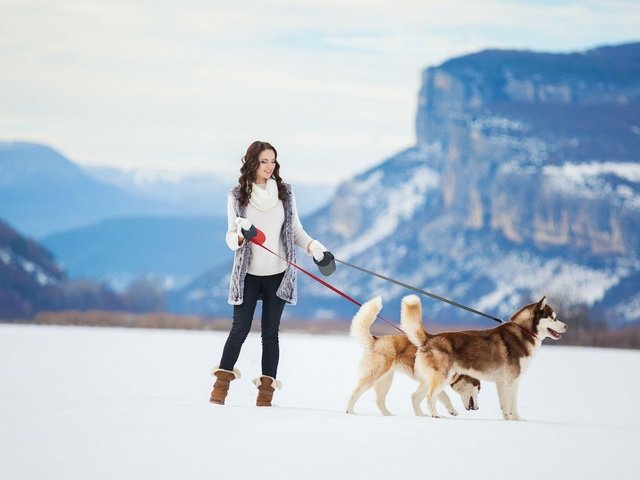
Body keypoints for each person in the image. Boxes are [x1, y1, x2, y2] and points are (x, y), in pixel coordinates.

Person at [210, 140, 333, 407]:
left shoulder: (285, 195)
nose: (269, 166)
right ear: (252, 162)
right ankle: (219, 390)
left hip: (278, 274)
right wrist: (241, 238)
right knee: (239, 329)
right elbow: (231, 234)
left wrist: (315, 248)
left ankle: (265, 396)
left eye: (273, 161)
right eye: (264, 161)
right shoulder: (237, 195)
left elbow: (296, 232)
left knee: (270, 333)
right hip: (248, 276)